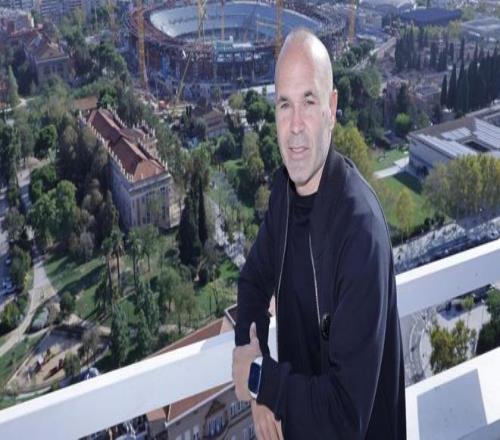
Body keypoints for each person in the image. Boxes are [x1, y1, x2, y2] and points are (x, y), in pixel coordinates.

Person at [232, 28, 406, 439]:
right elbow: (253, 280)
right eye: (284, 104)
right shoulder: (285, 195)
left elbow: (344, 415)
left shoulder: (360, 232)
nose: (294, 126)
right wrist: (255, 361)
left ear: (331, 107)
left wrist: (260, 380)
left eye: (308, 102)